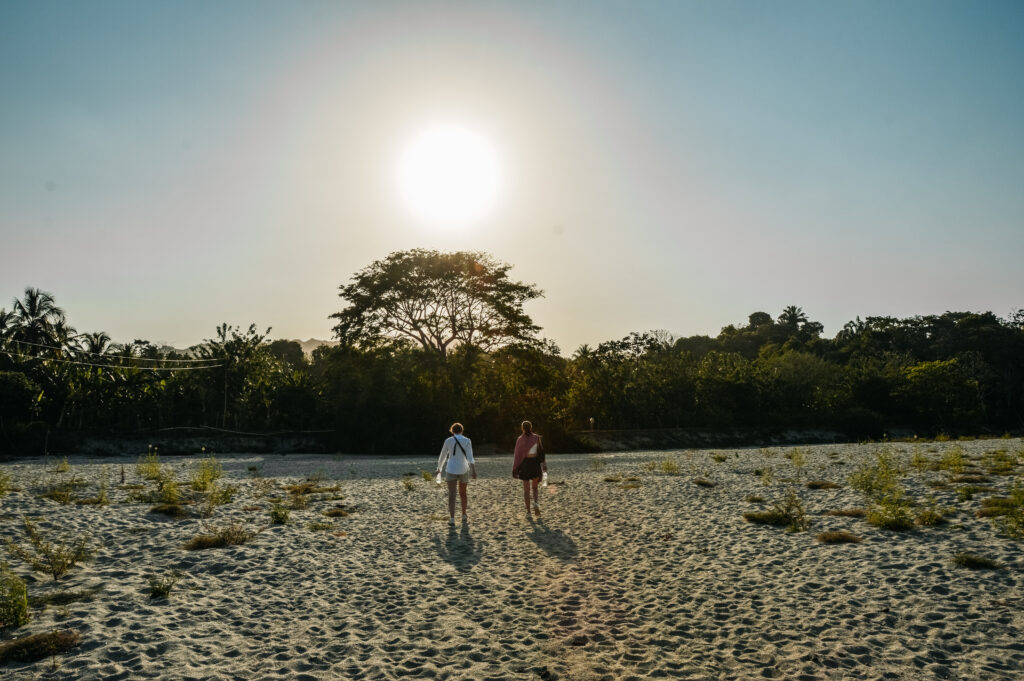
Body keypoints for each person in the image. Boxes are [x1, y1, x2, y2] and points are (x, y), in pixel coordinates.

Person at [435, 422, 477, 526]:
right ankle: (464, 514)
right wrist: (473, 470)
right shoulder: (467, 440)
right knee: (463, 493)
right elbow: (470, 456)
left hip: (451, 469)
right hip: (464, 468)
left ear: (452, 431)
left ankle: (452, 518)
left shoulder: (448, 441)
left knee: (452, 494)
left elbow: (443, 456)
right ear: (462, 430)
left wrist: (439, 468)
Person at [512, 420, 546, 518]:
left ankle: (528, 513)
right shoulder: (536, 437)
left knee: (526, 490)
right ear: (531, 427)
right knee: (535, 488)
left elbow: (517, 455)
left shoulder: (520, 439)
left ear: (522, 428)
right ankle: (536, 504)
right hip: (534, 463)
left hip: (525, 464)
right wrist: (544, 464)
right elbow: (541, 452)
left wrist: (515, 468)